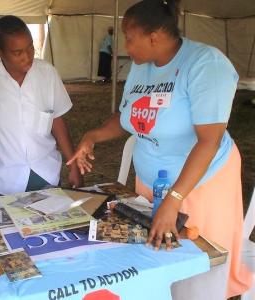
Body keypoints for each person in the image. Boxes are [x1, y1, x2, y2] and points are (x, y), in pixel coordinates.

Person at [67, 0, 252, 297]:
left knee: (197, 263)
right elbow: (128, 117)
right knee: (157, 259)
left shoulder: (205, 64)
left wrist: (175, 199)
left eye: (129, 37)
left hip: (199, 182)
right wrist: (92, 135)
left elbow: (209, 140)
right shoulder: (143, 66)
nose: (124, 46)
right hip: (152, 181)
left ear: (154, 37)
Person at [0, 15, 82, 196]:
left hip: (45, 174)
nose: (27, 56)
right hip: (3, 179)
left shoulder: (47, 73)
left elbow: (57, 120)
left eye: (30, 47)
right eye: (17, 52)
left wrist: (73, 165)